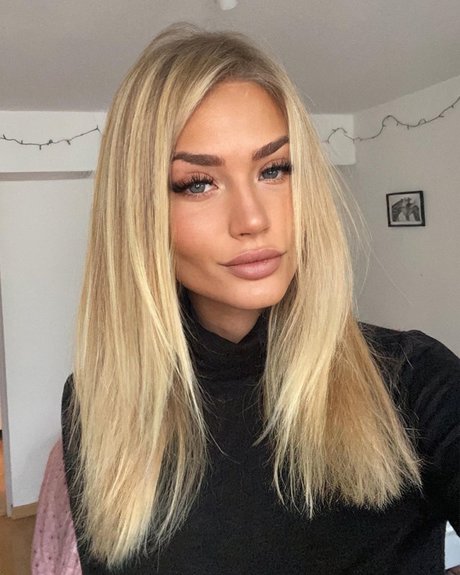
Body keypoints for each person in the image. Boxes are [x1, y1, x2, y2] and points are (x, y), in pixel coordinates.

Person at [32, 23, 460, 574]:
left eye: (274, 169)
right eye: (198, 183)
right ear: (139, 215)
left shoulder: (413, 381)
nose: (253, 219)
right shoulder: (95, 403)